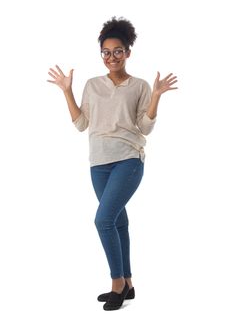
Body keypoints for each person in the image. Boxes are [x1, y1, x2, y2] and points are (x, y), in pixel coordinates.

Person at [47, 16, 178, 311]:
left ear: (128, 52)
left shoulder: (140, 86)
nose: (112, 57)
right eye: (106, 52)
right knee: (117, 220)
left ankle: (116, 283)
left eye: (118, 51)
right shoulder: (92, 85)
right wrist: (67, 90)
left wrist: (156, 96)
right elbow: (81, 124)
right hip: (99, 163)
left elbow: (144, 127)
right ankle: (129, 283)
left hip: (128, 160)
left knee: (102, 220)